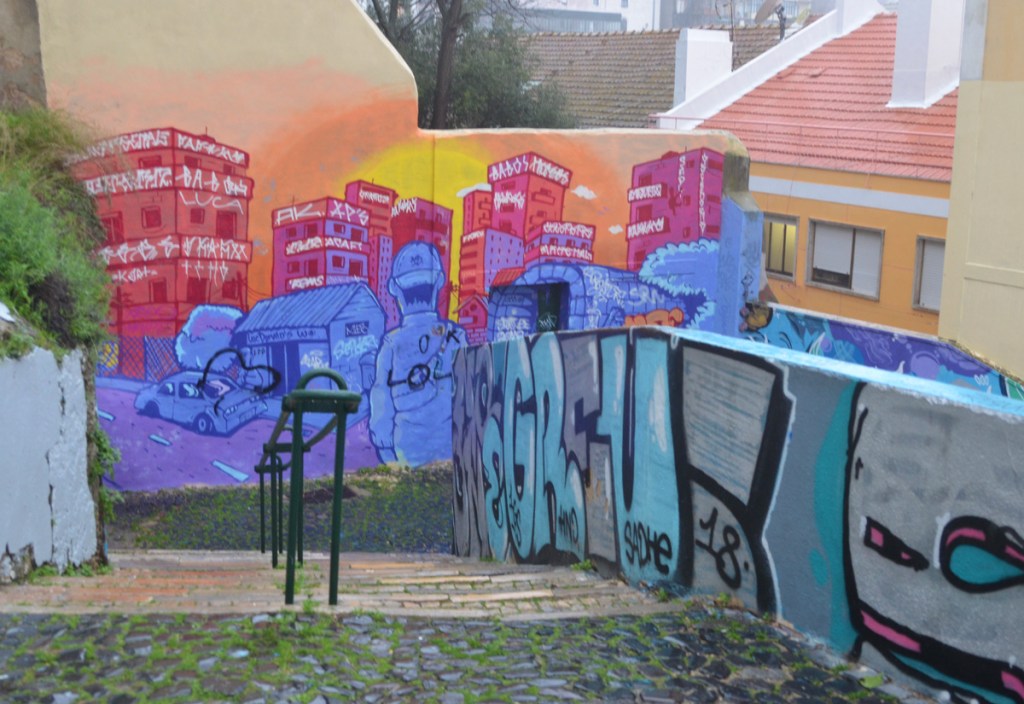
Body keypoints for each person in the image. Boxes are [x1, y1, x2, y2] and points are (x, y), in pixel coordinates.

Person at [369, 242, 466, 466]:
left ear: (396, 289)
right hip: (451, 451)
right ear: (438, 283)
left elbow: (380, 404)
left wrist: (390, 460)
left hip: (405, 454)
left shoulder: (390, 344)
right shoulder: (456, 337)